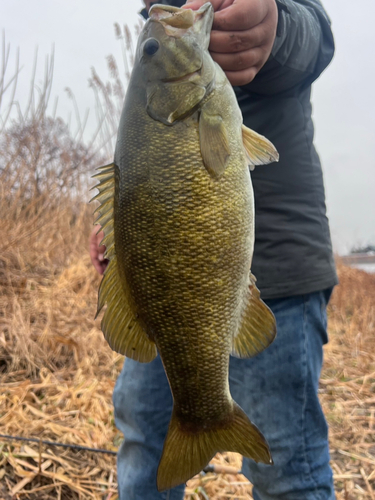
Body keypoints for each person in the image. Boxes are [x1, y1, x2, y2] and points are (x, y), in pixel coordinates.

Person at [89, 0, 337, 498]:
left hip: (281, 267)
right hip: (161, 286)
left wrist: (276, 29)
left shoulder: (184, 62)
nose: (157, 12)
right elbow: (150, 148)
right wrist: (114, 220)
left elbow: (315, 35)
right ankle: (203, 417)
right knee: (144, 446)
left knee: (286, 470)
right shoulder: (171, 63)